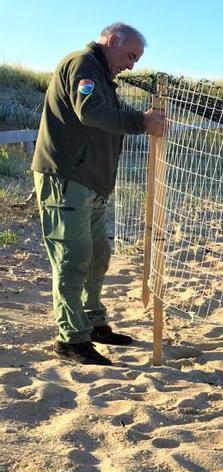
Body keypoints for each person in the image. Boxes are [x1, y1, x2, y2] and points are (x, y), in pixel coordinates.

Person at [31, 23, 166, 366]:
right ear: (111, 40)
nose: (132, 65)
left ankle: (92, 322)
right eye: (130, 55)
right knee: (73, 258)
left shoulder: (104, 78)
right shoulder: (82, 65)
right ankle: (71, 339)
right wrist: (141, 122)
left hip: (91, 185)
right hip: (67, 178)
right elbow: (89, 113)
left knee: (98, 256)